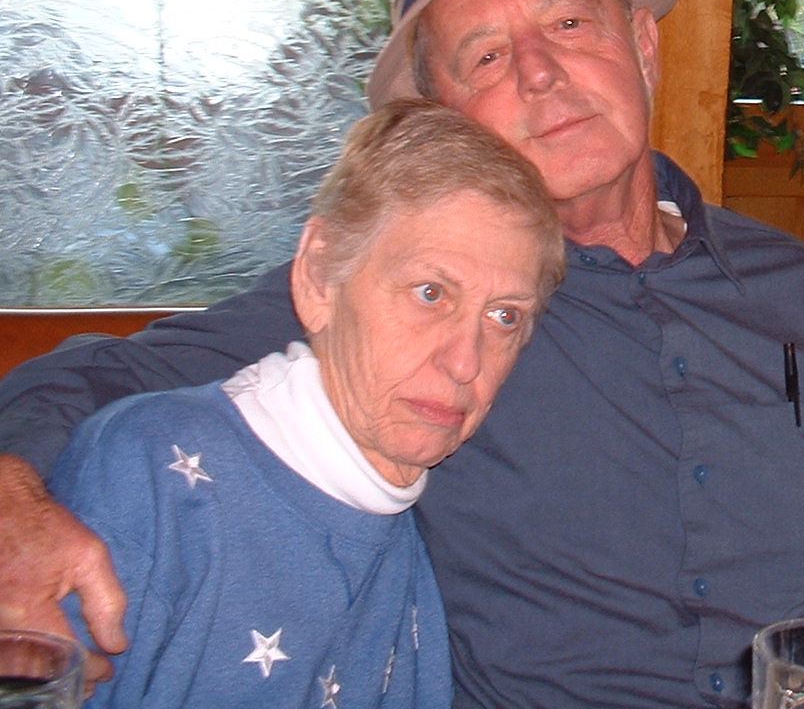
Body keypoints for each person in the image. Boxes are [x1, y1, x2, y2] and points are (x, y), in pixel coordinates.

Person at [0, 0, 804, 709]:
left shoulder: (798, 291)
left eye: (569, 25)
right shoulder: (417, 313)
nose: (540, 73)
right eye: (486, 57)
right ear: (446, 118)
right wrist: (10, 496)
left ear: (642, 45)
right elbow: (92, 379)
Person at [50, 98, 564, 709]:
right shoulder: (153, 480)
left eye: (504, 316)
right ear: (319, 278)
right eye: (430, 293)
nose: (464, 362)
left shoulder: (420, 540)